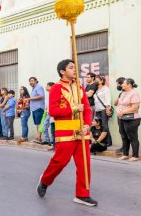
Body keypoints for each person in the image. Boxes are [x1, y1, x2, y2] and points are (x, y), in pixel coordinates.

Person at [37, 59, 97, 207]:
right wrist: (74, 108)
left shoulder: (80, 88)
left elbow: (88, 110)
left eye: (75, 67)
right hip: (65, 131)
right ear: (63, 72)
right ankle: (45, 180)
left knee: (84, 163)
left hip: (82, 131)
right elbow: (54, 111)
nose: (75, 70)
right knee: (60, 161)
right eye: (71, 67)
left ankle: (82, 195)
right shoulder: (56, 88)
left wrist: (87, 126)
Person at [117, 78, 141, 162]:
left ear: (129, 85)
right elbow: (119, 104)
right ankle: (125, 154)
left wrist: (122, 112)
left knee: (132, 137)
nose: (121, 85)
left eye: (123, 83)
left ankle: (135, 155)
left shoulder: (134, 93)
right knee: (124, 136)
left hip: (132, 119)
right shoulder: (123, 93)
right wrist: (119, 112)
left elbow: (134, 108)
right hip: (122, 118)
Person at [93, 75, 112, 146]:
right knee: (100, 125)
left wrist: (107, 109)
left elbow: (108, 99)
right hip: (97, 110)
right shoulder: (96, 90)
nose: (96, 81)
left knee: (105, 125)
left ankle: (109, 141)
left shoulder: (105, 89)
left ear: (102, 81)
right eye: (95, 80)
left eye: (97, 80)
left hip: (104, 109)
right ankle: (103, 140)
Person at [27, 77, 45, 143]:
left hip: (39, 108)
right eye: (30, 81)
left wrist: (29, 99)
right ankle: (38, 138)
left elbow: (41, 96)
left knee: (39, 123)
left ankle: (39, 138)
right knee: (37, 124)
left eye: (32, 81)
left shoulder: (39, 87)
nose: (30, 82)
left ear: (36, 81)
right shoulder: (34, 88)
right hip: (34, 108)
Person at [114, 77, 125, 155]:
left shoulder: (128, 93)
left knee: (126, 132)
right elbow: (115, 103)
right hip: (120, 115)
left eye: (118, 84)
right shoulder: (121, 93)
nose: (117, 85)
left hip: (125, 115)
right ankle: (124, 147)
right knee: (122, 132)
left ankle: (125, 149)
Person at [43, 82, 55, 148]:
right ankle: (48, 140)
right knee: (45, 127)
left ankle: (53, 142)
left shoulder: (53, 94)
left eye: (47, 86)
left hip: (52, 113)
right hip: (47, 113)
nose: (46, 87)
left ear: (51, 87)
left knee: (52, 129)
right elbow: (47, 103)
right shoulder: (47, 94)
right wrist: (45, 110)